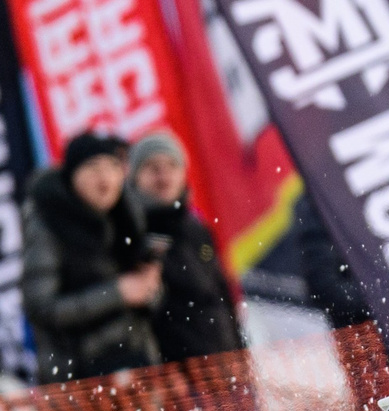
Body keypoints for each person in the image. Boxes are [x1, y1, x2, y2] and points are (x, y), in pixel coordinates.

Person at [23, 132, 164, 384]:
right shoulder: (48, 225)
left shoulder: (127, 216)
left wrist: (150, 288)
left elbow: (147, 304)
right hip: (79, 382)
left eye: (112, 166)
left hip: (137, 370)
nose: (105, 178)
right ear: (72, 176)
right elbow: (42, 308)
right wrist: (117, 292)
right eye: (93, 167)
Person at [128, 132, 245, 363]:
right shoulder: (130, 233)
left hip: (225, 364)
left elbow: (221, 295)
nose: (163, 175)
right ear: (135, 178)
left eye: (171, 165)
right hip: (177, 377)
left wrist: (241, 352)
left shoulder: (196, 227)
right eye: (152, 167)